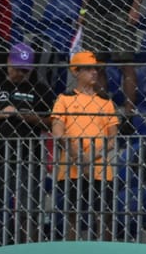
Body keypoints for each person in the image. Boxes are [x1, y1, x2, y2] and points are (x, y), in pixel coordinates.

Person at [0, 43, 54, 247]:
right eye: (17, 68)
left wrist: (27, 117)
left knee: (29, 210)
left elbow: (51, 121)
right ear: (8, 62)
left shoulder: (39, 89)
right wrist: (0, 114)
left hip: (28, 156)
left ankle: (27, 251)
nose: (20, 74)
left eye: (25, 70)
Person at [49, 51, 122, 242]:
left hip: (99, 169)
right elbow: (57, 130)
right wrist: (77, 155)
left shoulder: (105, 102)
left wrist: (92, 157)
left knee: (104, 216)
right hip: (71, 169)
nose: (94, 72)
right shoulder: (64, 99)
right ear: (76, 71)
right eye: (89, 69)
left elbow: (112, 137)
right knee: (72, 215)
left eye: (95, 69)